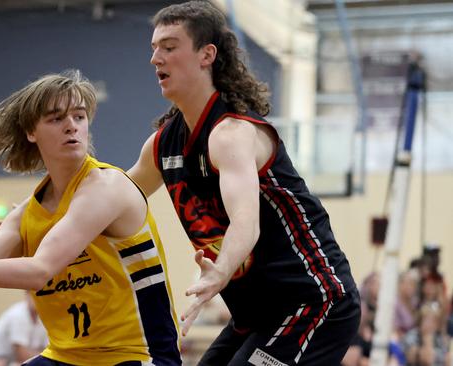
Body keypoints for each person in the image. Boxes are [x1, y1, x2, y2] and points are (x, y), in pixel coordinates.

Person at [127, 1, 361, 364]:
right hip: (257, 315)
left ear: (207, 55)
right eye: (154, 48)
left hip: (314, 301)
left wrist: (220, 272)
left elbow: (245, 223)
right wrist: (48, 218)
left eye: (169, 47)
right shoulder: (162, 144)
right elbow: (116, 200)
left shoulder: (232, 133)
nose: (156, 58)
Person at [0, 70, 182, 365]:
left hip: (140, 356)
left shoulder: (105, 187)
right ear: (31, 132)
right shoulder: (25, 215)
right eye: (56, 118)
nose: (71, 126)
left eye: (79, 116)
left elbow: (39, 270)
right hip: (66, 357)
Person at [0, 295, 48, 365]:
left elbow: (47, 349)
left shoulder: (44, 316)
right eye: (35, 294)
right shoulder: (18, 314)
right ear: (27, 294)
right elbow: (22, 355)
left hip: (11, 360)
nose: (39, 298)